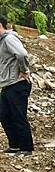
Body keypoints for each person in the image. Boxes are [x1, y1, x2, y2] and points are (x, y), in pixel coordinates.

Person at [0, 16, 33, 156]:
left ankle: (26, 148)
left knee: (18, 115)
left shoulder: (9, 39)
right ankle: (14, 145)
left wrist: (24, 70)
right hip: (7, 84)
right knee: (4, 115)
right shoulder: (2, 42)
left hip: (18, 84)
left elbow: (21, 54)